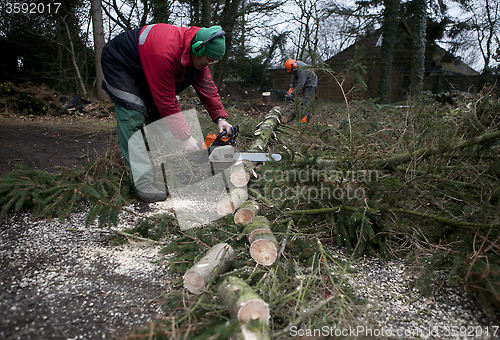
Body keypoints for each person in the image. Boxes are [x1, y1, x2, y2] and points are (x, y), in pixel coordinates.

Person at [101, 24, 233, 203]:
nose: (207, 65)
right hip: (121, 64)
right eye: (208, 60)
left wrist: (220, 118)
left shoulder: (196, 54)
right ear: (197, 48)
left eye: (212, 62)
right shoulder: (165, 52)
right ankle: (142, 183)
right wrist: (185, 137)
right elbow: (166, 99)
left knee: (161, 121)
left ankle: (170, 170)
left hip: (147, 67)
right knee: (133, 117)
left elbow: (207, 87)